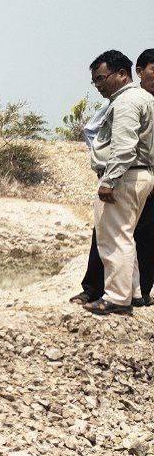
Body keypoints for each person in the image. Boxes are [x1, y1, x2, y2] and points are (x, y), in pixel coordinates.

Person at [72, 48, 154, 308]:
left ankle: (117, 298)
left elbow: (124, 146)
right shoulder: (143, 98)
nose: (98, 85)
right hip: (140, 174)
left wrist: (109, 180)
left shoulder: (127, 102)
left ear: (121, 74)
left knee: (114, 239)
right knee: (126, 236)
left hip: (126, 176)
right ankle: (135, 293)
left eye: (101, 78)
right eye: (95, 80)